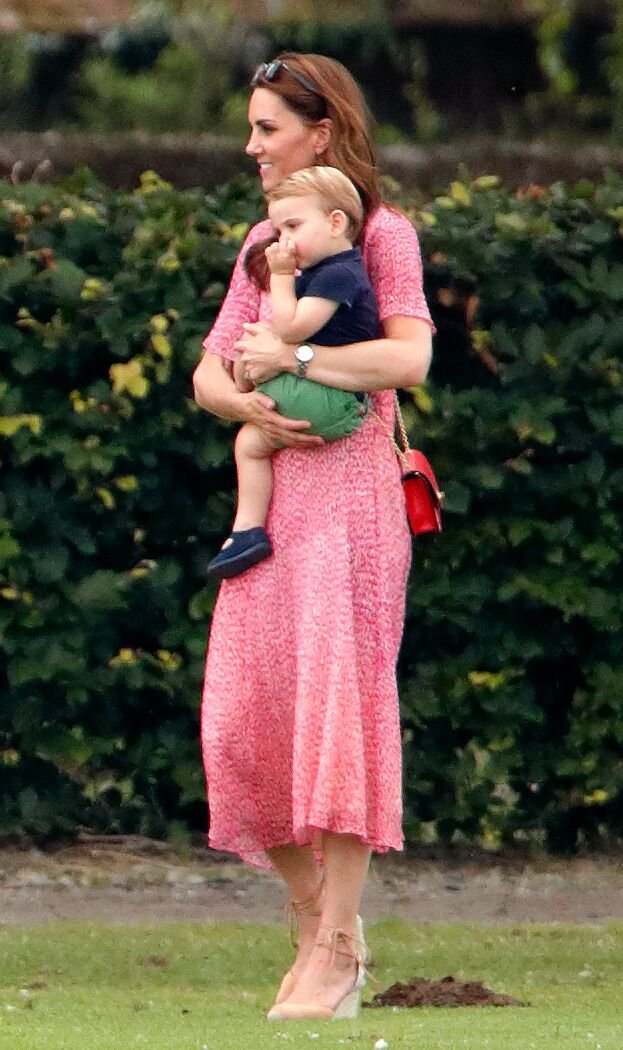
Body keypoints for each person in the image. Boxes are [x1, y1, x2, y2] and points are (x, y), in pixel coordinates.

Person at [193, 52, 433, 1021]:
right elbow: (210, 371)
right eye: (250, 128)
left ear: (319, 132)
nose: (250, 147)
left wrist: (293, 354)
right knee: (239, 719)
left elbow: (407, 357)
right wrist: (246, 397)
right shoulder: (264, 239)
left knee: (339, 719)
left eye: (266, 128)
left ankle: (334, 952)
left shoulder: (380, 235)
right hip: (276, 505)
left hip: (353, 506)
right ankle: (313, 920)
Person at [206, 165, 379, 582]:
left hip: (334, 400)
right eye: (278, 229)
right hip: (325, 393)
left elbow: (290, 329)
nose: (283, 241)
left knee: (251, 425)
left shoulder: (339, 274)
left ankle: (248, 530)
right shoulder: (327, 272)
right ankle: (246, 531)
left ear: (336, 222)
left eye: (293, 226)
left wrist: (282, 277)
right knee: (249, 436)